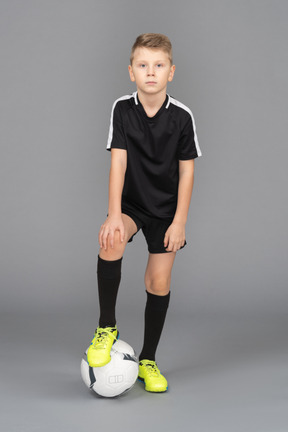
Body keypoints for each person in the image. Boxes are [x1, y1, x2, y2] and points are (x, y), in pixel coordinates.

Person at [87, 33, 202, 393]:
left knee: (158, 283)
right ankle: (107, 327)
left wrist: (180, 221)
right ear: (131, 71)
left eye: (158, 65)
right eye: (142, 65)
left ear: (170, 72)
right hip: (133, 205)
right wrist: (113, 214)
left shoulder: (182, 117)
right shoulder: (123, 109)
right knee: (111, 239)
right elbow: (118, 163)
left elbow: (187, 171)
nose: (150, 72)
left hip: (167, 211)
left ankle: (148, 359)